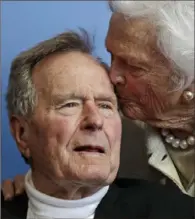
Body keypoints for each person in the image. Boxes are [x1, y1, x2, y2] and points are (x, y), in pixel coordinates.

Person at [1, 30, 194, 219]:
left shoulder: (177, 211)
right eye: (70, 104)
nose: (95, 120)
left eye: (105, 105)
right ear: (22, 133)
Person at [105, 0, 195, 196]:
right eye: (111, 56)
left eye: (134, 67)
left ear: (188, 80)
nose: (113, 76)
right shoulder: (110, 129)